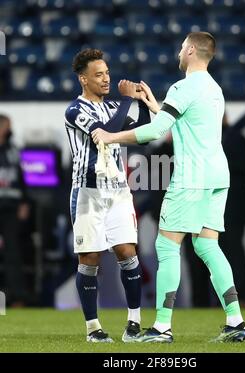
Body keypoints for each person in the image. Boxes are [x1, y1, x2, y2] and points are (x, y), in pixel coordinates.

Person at [92, 32, 245, 343]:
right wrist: (152, 103)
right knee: (207, 246)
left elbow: (156, 131)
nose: (179, 51)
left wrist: (110, 137)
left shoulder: (183, 86)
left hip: (191, 176)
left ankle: (162, 327)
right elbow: (182, 124)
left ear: (190, 50)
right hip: (218, 175)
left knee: (166, 247)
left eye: (181, 47)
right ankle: (235, 321)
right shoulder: (214, 89)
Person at [64, 49, 150, 343]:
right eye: (98, 74)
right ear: (83, 79)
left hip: (117, 192)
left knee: (128, 252)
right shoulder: (75, 110)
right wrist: (127, 100)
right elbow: (104, 132)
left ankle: (134, 325)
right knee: (90, 258)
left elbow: (141, 131)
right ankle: (93, 329)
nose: (106, 79)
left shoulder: (113, 105)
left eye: (107, 73)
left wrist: (142, 104)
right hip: (87, 191)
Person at [219, 114, 245, 307]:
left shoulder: (236, 137)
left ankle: (244, 295)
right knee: (220, 253)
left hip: (234, 208)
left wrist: (219, 163)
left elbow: (243, 167)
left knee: (235, 253)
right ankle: (225, 297)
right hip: (220, 208)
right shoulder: (213, 138)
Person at [0, 114, 30, 306]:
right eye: (7, 126)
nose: (9, 130)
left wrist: (24, 202)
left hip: (11, 206)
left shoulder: (12, 150)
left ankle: (17, 297)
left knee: (13, 253)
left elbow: (20, 178)